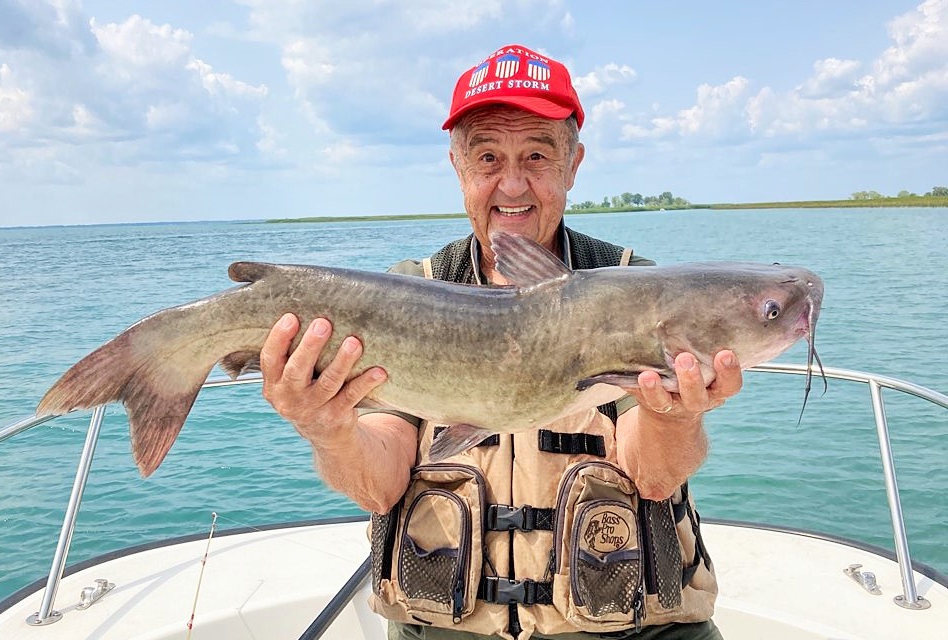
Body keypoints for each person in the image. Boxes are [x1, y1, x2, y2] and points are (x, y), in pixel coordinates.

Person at [260, 44, 743, 640]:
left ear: (573, 165)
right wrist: (327, 428)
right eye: (488, 156)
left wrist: (675, 418)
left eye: (537, 155)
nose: (512, 184)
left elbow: (650, 477)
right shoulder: (408, 294)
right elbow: (378, 483)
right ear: (458, 168)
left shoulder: (636, 291)